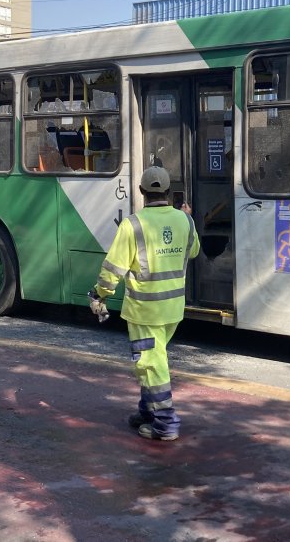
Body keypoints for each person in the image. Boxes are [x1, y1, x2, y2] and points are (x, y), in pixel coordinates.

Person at [89, 166, 200, 441]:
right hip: (173, 309)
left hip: (145, 310)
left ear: (141, 192)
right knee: (153, 358)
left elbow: (113, 270)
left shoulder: (133, 224)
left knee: (151, 364)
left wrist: (100, 294)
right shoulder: (185, 221)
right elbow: (194, 250)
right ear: (168, 191)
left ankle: (165, 422)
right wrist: (186, 218)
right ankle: (147, 411)